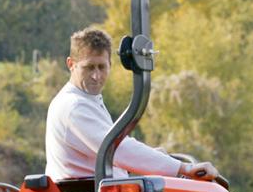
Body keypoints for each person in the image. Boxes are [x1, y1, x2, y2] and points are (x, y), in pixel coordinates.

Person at [45, 27, 219, 181]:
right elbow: (117, 150)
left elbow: (113, 151)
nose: (96, 76)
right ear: (71, 64)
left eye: (101, 67)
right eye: (89, 67)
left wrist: (155, 157)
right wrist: (184, 168)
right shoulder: (74, 106)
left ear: (110, 65)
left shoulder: (86, 100)